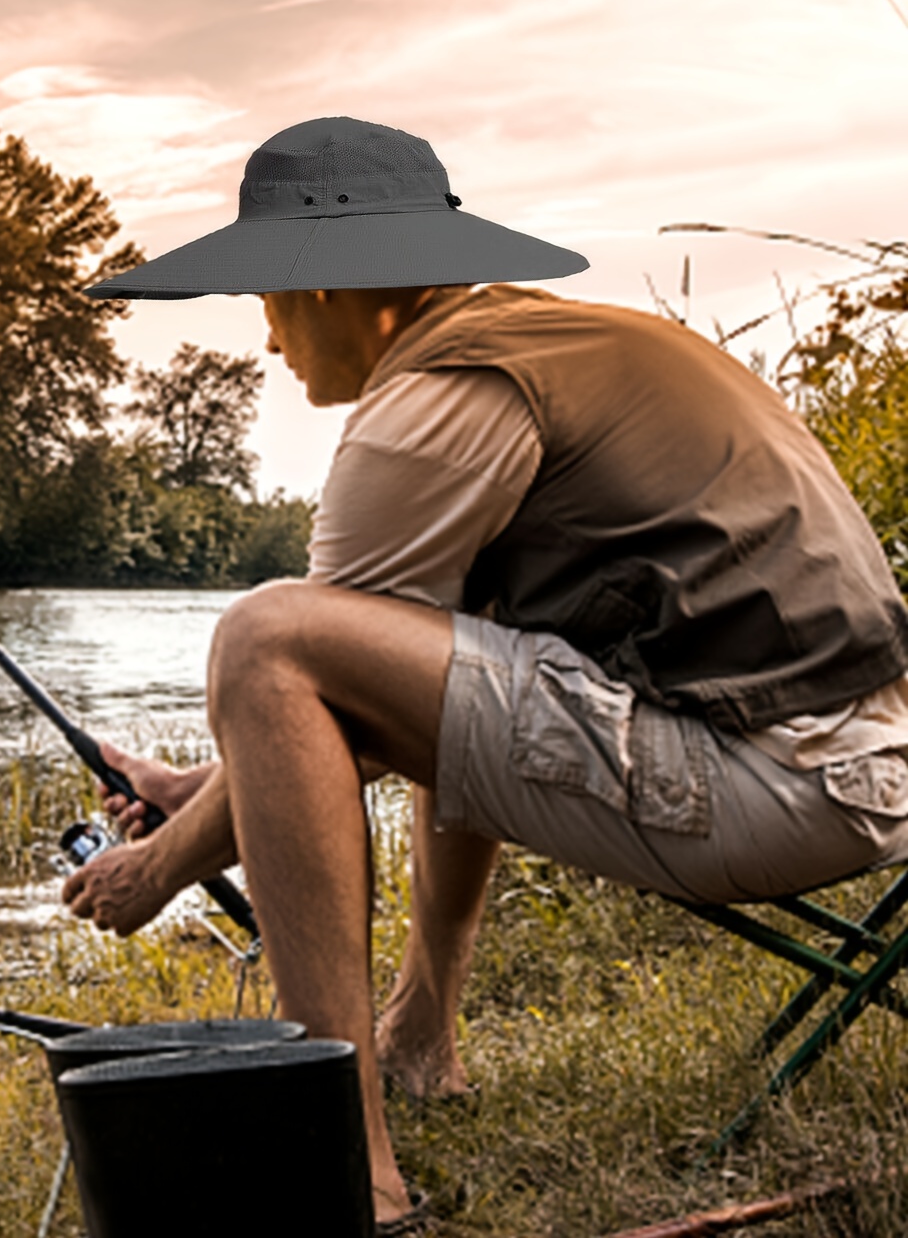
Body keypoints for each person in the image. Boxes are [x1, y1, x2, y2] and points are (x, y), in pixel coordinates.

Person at [61, 116, 908, 1235]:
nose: (267, 340)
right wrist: (200, 793)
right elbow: (400, 693)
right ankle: (421, 1036)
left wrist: (158, 866)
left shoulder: (437, 398)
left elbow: (298, 676)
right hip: (862, 758)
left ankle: (350, 1179)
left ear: (332, 288)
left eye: (267, 300)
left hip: (774, 783)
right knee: (437, 631)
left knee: (267, 636)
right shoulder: (574, 344)